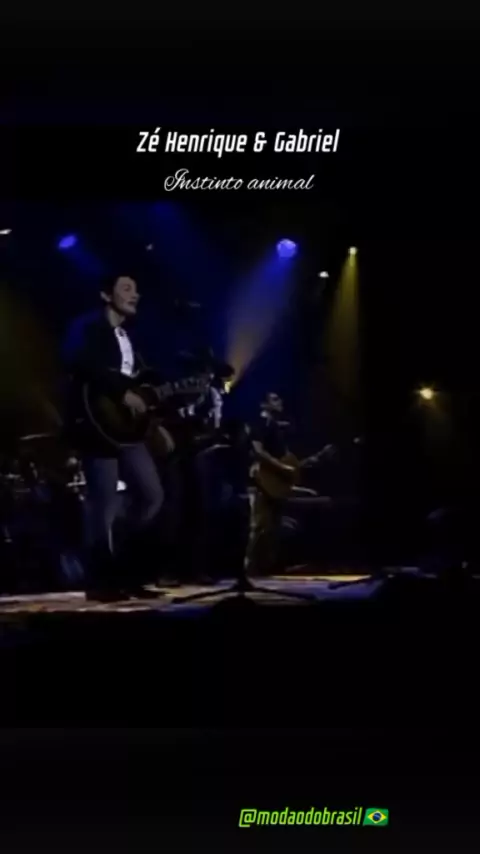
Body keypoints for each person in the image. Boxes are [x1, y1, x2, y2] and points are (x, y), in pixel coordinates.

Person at [62, 274, 172, 601]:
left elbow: (138, 383)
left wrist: (157, 405)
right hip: (96, 426)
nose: (135, 294)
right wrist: (121, 393)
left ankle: (125, 569)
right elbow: (79, 361)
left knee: (152, 495)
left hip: (126, 429)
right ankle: (101, 581)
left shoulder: (127, 337)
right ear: (105, 294)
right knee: (104, 503)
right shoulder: (88, 327)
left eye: (136, 289)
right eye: (126, 288)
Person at [244, 392, 295, 577]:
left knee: (272, 527)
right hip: (261, 481)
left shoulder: (275, 425)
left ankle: (264, 568)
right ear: (263, 404)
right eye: (275, 399)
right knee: (259, 526)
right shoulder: (261, 422)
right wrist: (282, 468)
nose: (280, 402)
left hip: (272, 482)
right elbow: (258, 451)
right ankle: (249, 568)